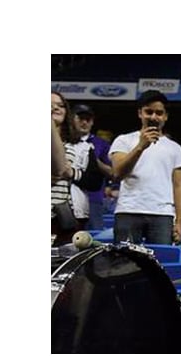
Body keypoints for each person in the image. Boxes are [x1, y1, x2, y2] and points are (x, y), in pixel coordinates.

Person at [109, 90, 181, 245]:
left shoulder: (175, 148)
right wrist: (140, 146)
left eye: (159, 113)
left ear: (165, 117)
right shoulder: (123, 140)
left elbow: (179, 186)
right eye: (149, 112)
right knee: (124, 265)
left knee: (160, 263)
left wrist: (179, 222)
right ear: (140, 113)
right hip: (128, 210)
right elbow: (117, 173)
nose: (154, 117)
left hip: (162, 214)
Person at [50, 92, 88, 246]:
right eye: (50, 105)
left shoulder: (72, 145)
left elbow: (60, 169)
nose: (55, 108)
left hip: (58, 216)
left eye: (60, 105)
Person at [72, 104, 112, 231]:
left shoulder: (102, 144)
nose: (84, 122)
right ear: (72, 119)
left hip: (93, 198)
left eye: (88, 119)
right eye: (80, 118)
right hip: (68, 198)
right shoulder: (63, 140)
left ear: (92, 122)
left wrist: (94, 161)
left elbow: (112, 172)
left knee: (94, 237)